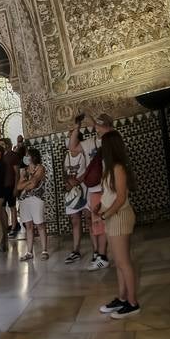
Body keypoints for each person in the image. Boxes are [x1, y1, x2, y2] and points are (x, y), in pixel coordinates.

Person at [97, 130, 140, 318]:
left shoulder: (118, 168)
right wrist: (100, 209)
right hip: (113, 217)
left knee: (124, 263)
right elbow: (110, 195)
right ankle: (122, 298)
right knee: (119, 263)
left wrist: (105, 215)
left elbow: (121, 198)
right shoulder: (110, 167)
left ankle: (132, 303)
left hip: (120, 217)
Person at [70, 112, 113, 270]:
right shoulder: (90, 142)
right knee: (98, 223)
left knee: (108, 222)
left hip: (109, 188)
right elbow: (73, 147)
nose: (97, 127)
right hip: (94, 190)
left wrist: (92, 121)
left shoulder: (112, 140)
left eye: (100, 125)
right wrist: (77, 127)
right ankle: (101, 256)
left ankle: (106, 254)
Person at [62, 116, 89, 263]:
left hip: (84, 189)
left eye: (71, 134)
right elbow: (65, 171)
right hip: (72, 192)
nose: (68, 137)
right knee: (75, 221)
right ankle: (76, 250)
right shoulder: (67, 155)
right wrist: (68, 181)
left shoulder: (84, 151)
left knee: (89, 217)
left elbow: (88, 169)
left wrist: (78, 181)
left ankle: (97, 249)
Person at [16, 146, 48, 260]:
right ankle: (29, 252)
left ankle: (44, 250)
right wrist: (28, 182)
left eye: (28, 155)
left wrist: (26, 182)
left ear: (33, 157)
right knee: (28, 225)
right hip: (25, 200)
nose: (26, 157)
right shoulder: (24, 170)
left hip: (37, 199)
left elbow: (34, 184)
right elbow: (19, 186)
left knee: (40, 224)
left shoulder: (40, 168)